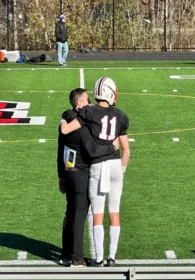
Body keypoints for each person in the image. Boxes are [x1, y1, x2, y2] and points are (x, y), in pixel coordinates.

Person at [61, 77, 130, 267]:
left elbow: (67, 129)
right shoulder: (121, 116)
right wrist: (122, 169)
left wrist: (63, 120)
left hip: (99, 166)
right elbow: (127, 150)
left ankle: (99, 258)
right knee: (114, 213)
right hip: (116, 165)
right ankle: (112, 257)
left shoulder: (88, 111)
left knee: (97, 214)